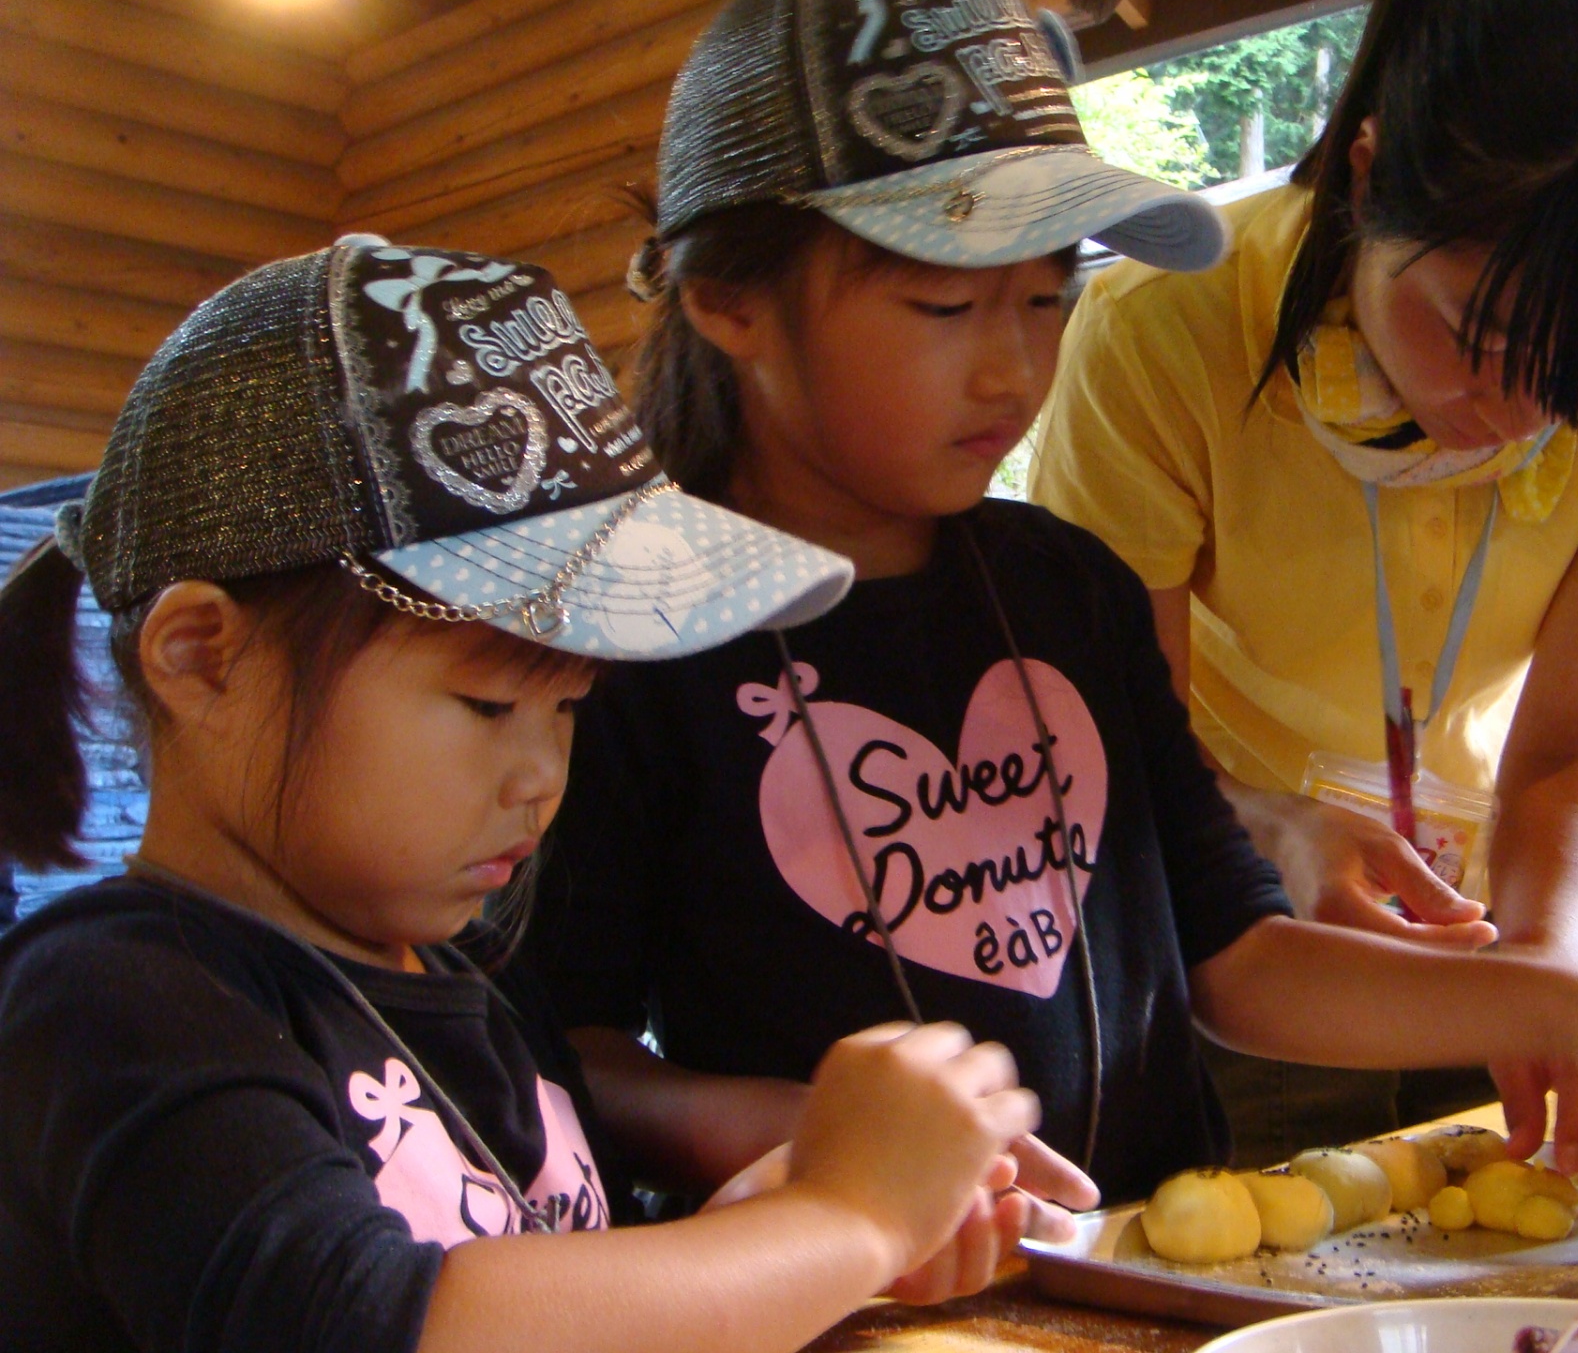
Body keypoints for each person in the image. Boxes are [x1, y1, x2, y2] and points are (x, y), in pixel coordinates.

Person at [522, 0, 1578, 1219]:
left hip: (1140, 1259)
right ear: (728, 300)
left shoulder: (1070, 592)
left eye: (1045, 301)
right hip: (841, 1292)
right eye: (946, 309)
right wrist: (802, 1136)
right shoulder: (626, 639)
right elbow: (558, 1041)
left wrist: (1569, 1006)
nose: (1013, 372)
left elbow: (1241, 962)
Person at [0, 239, 1064, 1353]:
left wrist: (768, 1245)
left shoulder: (465, 983)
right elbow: (366, 1328)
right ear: (205, 659)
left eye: (566, 709)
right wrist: (841, 1218)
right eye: (483, 706)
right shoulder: (108, 1000)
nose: (541, 777)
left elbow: (548, 1276)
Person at [1029, 0, 1578, 1160]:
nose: (1512, 416)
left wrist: (1549, 983)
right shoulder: (1163, 328)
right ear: (1369, 179)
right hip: (1237, 907)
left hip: (1509, 886)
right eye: (1472, 337)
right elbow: (1116, 760)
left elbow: (1571, 754)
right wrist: (1272, 831)